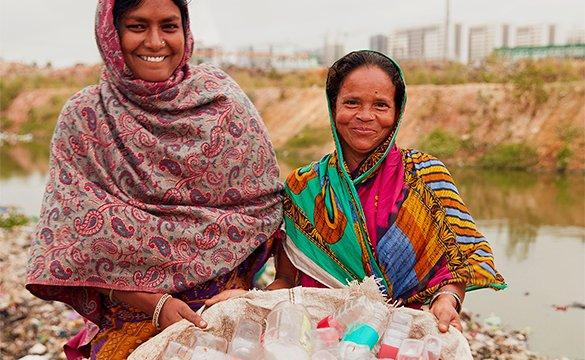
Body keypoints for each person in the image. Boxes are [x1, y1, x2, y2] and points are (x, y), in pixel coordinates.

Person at [25, 0, 283, 358]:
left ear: (185, 30)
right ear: (110, 34)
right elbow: (75, 243)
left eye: (169, 26)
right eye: (137, 26)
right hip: (127, 326)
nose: (155, 41)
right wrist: (154, 304)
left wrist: (266, 290)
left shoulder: (222, 101)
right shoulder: (85, 117)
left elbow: (265, 205)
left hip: (225, 322)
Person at [265, 50, 506, 333]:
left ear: (397, 111)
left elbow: (459, 261)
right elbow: (285, 279)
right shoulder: (303, 186)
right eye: (352, 102)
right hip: (320, 338)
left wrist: (447, 299)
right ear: (333, 107)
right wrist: (252, 299)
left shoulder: (425, 176)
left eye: (381, 105)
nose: (365, 116)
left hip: (399, 337)